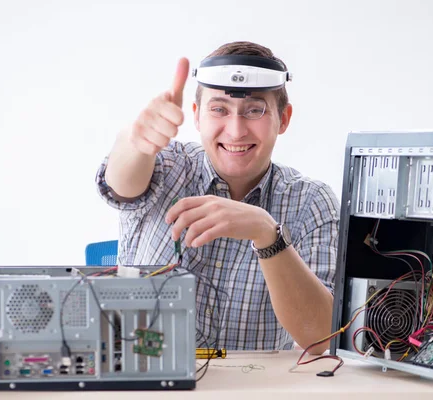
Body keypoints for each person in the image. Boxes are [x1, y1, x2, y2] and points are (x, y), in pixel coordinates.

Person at [96, 41, 339, 354]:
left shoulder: (311, 202)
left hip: (253, 387)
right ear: (196, 116)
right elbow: (120, 183)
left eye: (255, 110)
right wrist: (135, 141)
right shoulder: (167, 164)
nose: (236, 131)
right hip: (145, 377)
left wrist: (268, 234)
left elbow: (323, 337)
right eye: (219, 109)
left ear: (284, 118)